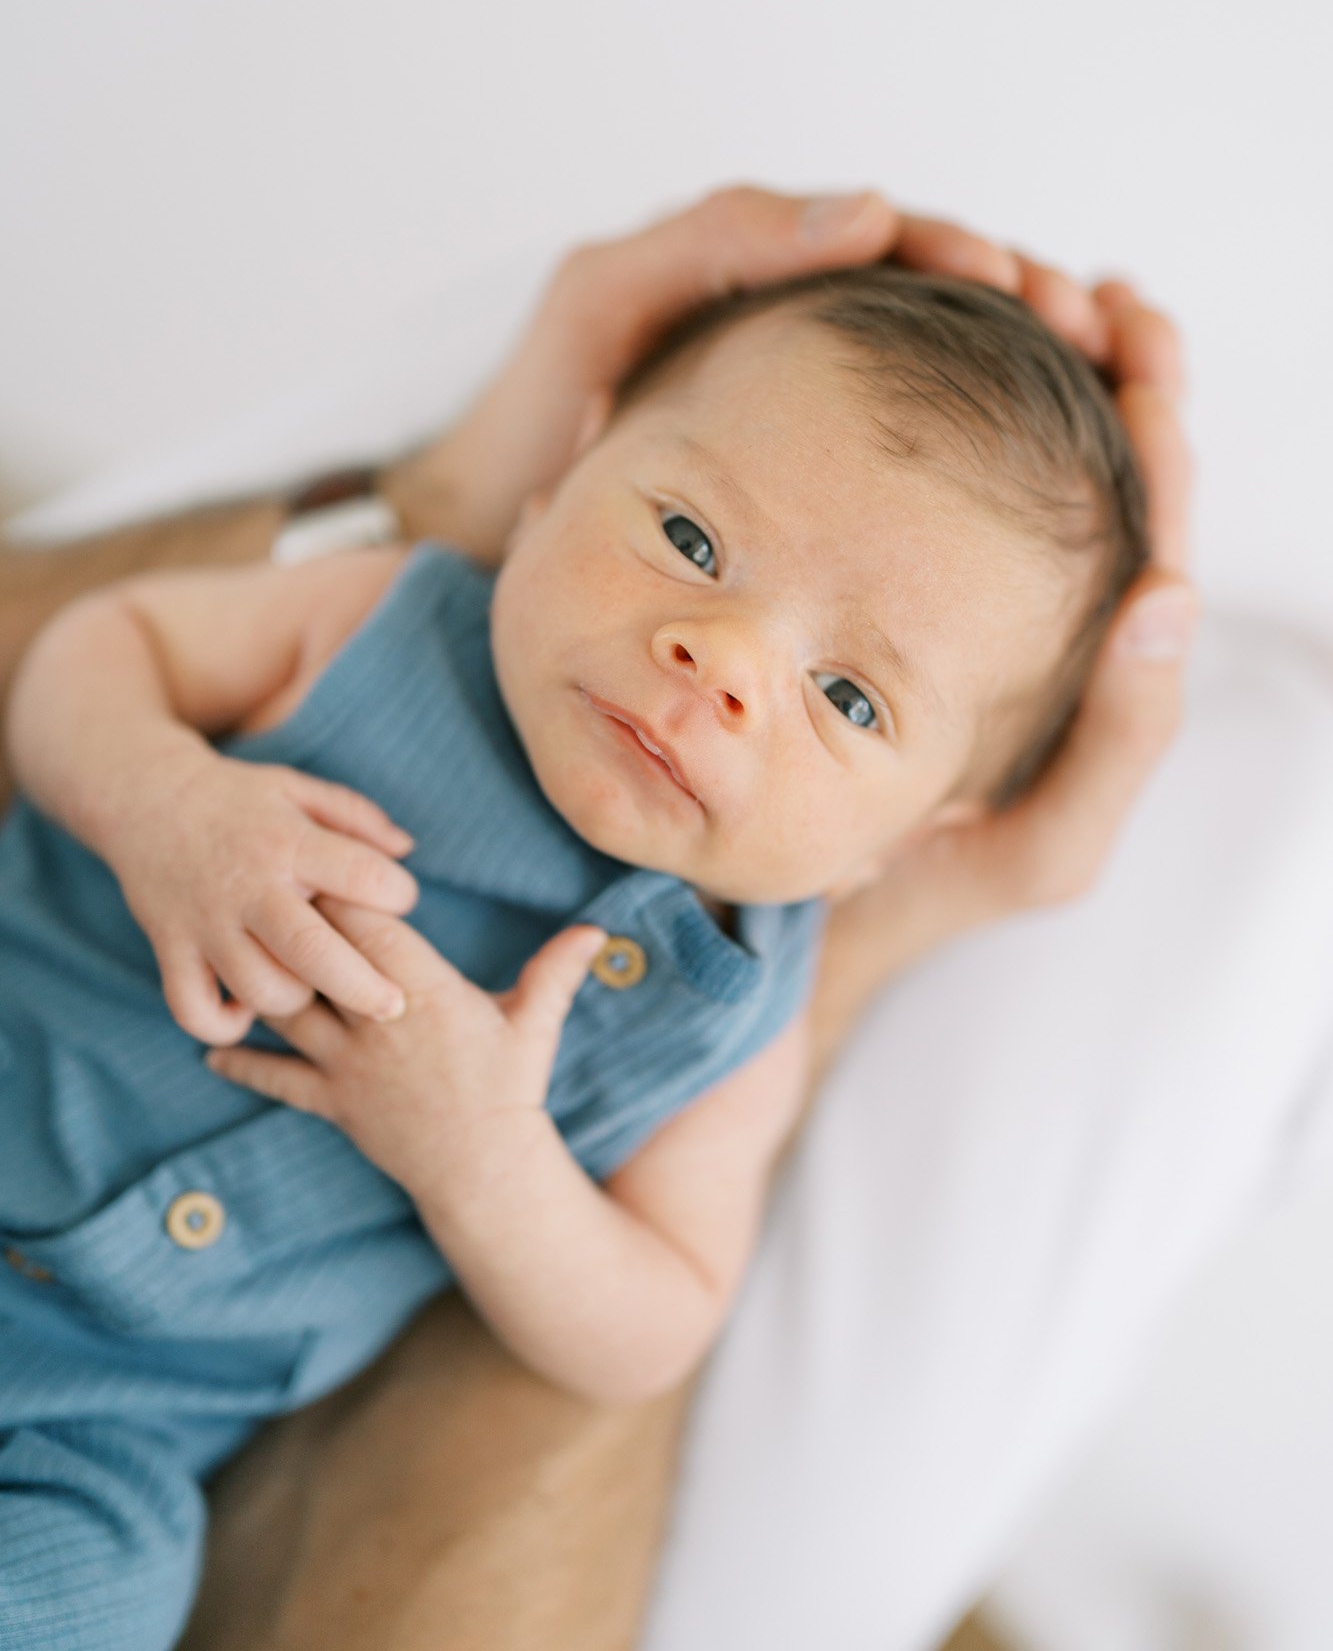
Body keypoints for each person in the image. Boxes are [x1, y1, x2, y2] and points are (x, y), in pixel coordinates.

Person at [0, 187, 1201, 1649]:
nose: (724, 660)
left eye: (847, 698)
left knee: (93, 1601)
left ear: (912, 838)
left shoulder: (736, 1008)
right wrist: (163, 805)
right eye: (691, 537)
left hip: (93, 1436)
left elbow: (653, 1317)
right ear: (558, 478)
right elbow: (88, 654)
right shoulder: (373, 615)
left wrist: (481, 1160)